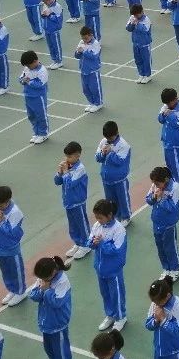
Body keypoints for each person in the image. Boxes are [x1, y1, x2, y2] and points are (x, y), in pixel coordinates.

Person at [0, 185, 27, 306]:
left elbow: (13, 233)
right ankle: (12, 289)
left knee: (16, 270)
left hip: (12, 248)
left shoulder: (15, 212)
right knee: (6, 271)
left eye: (1, 205)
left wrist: (1, 222)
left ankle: (21, 292)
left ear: (7, 201)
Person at [89, 198, 128, 332]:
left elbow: (116, 250)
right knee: (105, 294)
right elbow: (90, 241)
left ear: (109, 215)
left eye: (100, 217)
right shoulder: (97, 226)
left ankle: (121, 317)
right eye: (96, 217)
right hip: (100, 269)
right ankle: (110, 315)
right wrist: (93, 243)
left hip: (114, 270)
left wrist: (101, 243)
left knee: (116, 293)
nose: (98, 220)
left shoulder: (119, 229)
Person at [27, 256, 74, 359]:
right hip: (46, 324)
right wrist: (42, 290)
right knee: (50, 352)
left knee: (61, 355)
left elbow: (57, 303)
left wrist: (47, 290)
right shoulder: (44, 277)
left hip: (58, 324)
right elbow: (33, 295)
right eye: (40, 278)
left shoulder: (63, 281)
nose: (41, 280)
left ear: (53, 272)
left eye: (44, 278)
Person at [145, 164, 179, 281]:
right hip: (156, 222)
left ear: (165, 179)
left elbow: (172, 208)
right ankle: (166, 269)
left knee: (170, 247)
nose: (155, 186)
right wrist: (154, 197)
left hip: (168, 224)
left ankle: (175, 270)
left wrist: (160, 199)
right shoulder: (155, 186)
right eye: (154, 183)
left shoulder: (174, 188)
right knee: (160, 247)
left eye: (157, 183)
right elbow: (148, 199)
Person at [55, 142, 92, 260]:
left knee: (81, 223)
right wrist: (59, 172)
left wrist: (65, 172)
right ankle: (78, 242)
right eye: (66, 156)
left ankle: (86, 244)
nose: (67, 159)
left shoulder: (80, 169)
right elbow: (57, 182)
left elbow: (70, 184)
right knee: (73, 225)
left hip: (78, 201)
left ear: (78, 155)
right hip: (68, 202)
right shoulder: (68, 167)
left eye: (70, 157)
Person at [144, 275, 179, 359]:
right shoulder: (155, 303)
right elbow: (148, 324)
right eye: (153, 301)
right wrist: (156, 321)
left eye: (157, 302)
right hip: (159, 350)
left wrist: (163, 319)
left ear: (167, 296)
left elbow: (177, 331)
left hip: (174, 352)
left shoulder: (178, 306)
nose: (155, 304)